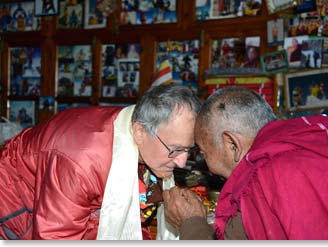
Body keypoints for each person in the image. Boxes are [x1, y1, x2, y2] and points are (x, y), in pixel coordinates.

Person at [0, 84, 201, 240]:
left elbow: (127, 220)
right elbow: (55, 236)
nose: (182, 163)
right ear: (140, 131)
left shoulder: (145, 139)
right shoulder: (81, 162)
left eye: (188, 150)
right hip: (16, 197)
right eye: (175, 150)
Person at [163, 86, 328, 240]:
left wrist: (191, 222)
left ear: (232, 144)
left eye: (204, 153)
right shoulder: (319, 144)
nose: (206, 167)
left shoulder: (264, 181)